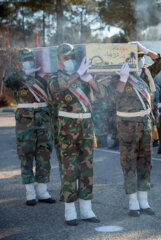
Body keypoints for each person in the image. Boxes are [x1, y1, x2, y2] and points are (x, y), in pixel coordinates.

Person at [112, 41, 161, 217]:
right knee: (129, 163)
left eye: (141, 57)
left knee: (145, 163)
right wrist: (122, 79)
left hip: (146, 125)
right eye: (137, 57)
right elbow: (111, 98)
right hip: (127, 126)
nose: (141, 61)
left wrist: (146, 50)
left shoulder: (146, 74)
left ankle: (144, 201)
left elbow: (160, 63)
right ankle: (133, 202)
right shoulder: (117, 74)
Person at [49, 43, 100, 225]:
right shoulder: (55, 77)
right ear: (59, 60)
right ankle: (70, 210)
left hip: (86, 126)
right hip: (67, 129)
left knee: (87, 168)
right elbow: (59, 87)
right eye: (66, 58)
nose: (69, 60)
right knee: (69, 168)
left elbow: (101, 94)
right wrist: (78, 73)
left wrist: (90, 79)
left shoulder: (82, 75)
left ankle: (87, 210)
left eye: (72, 57)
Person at [3, 48, 55, 206]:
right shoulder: (18, 78)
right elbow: (7, 81)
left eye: (30, 59)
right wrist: (26, 74)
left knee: (44, 155)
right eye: (25, 60)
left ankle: (43, 191)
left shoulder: (43, 78)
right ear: (20, 63)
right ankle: (30, 193)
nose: (28, 62)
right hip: (25, 123)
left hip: (43, 121)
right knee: (26, 156)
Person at [92, 75, 111, 148]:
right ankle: (99, 141)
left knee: (102, 123)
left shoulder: (101, 82)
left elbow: (102, 95)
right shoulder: (97, 81)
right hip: (97, 106)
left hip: (101, 105)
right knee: (97, 124)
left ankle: (103, 142)